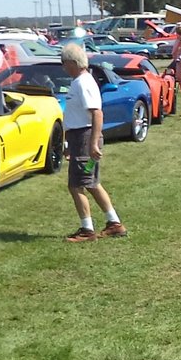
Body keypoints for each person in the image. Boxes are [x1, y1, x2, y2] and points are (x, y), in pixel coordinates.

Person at [60, 42, 126, 243]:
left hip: (85, 140)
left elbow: (97, 113)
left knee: (76, 185)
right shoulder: (79, 81)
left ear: (72, 62)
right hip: (79, 140)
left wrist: (93, 143)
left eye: (64, 63)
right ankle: (114, 223)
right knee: (91, 182)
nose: (63, 67)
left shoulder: (83, 83)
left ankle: (87, 229)